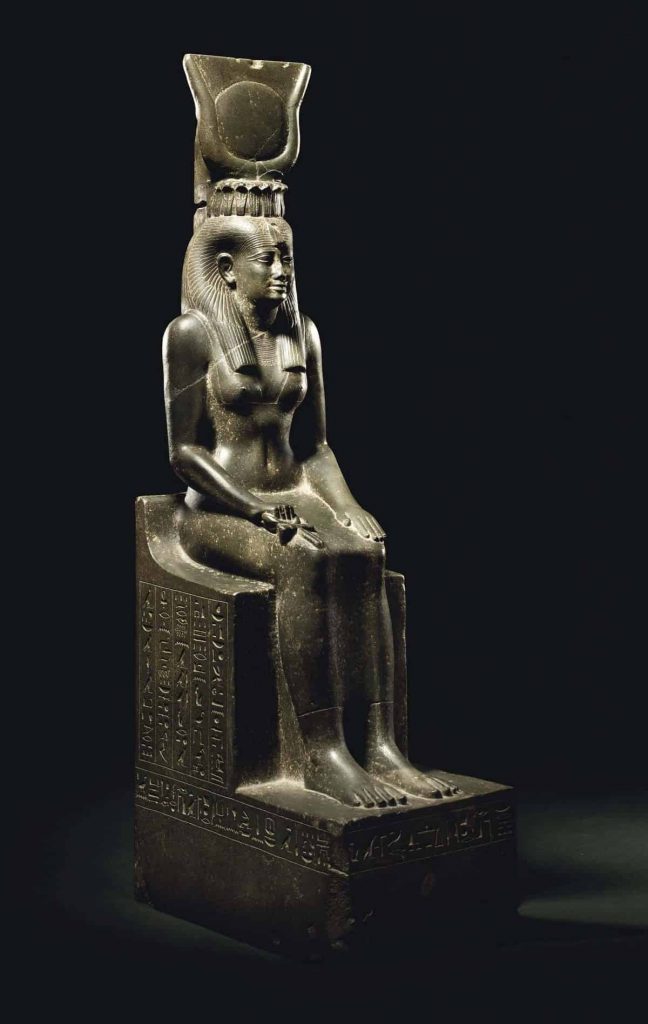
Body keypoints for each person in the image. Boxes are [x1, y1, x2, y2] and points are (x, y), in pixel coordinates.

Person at [163, 212, 458, 808]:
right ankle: (322, 752)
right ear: (227, 270)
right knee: (304, 559)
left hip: (294, 491)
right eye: (266, 259)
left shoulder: (304, 334)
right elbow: (184, 454)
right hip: (217, 508)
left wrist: (347, 506)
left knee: (365, 553)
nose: (281, 271)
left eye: (287, 258)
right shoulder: (191, 333)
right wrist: (253, 508)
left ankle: (380, 745)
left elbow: (316, 448)